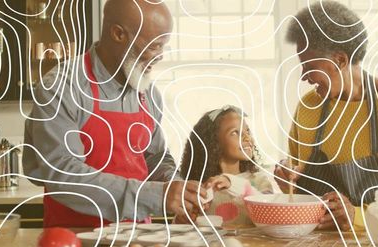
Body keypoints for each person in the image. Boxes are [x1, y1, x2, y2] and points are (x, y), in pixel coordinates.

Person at [23, 0, 207, 227]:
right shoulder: (62, 87)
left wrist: (178, 189)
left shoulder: (148, 93)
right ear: (118, 34)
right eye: (154, 46)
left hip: (139, 238)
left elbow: (155, 157)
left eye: (163, 46)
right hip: (75, 238)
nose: (160, 56)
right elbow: (62, 174)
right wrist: (157, 196)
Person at [274, 1, 378, 232]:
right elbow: (298, 190)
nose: (304, 77)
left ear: (340, 60)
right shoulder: (307, 107)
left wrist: (359, 216)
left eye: (310, 66)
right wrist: (287, 177)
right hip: (313, 242)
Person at [176, 105, 273, 226]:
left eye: (247, 131)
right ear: (213, 142)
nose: (247, 137)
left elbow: (269, 214)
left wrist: (232, 184)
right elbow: (180, 231)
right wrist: (182, 221)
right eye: (235, 133)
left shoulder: (259, 181)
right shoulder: (199, 187)